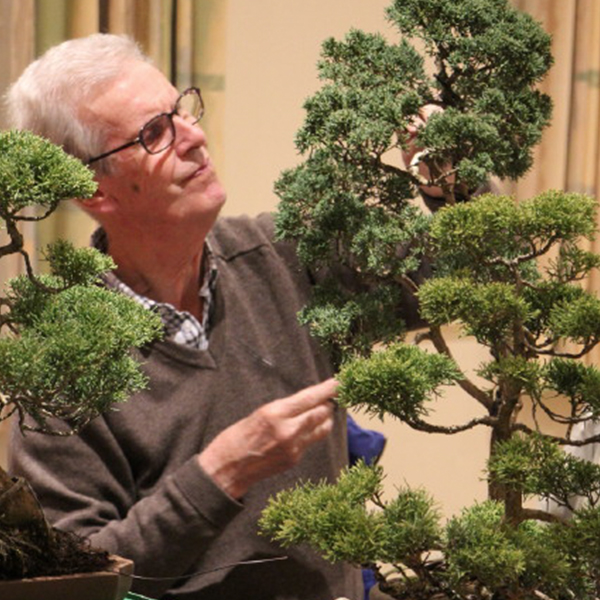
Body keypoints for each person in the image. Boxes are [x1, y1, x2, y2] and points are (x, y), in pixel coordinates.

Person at [6, 34, 425, 600]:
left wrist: (449, 178)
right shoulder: (66, 362)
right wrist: (220, 475)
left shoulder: (283, 256)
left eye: (181, 110)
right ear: (93, 189)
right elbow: (74, 585)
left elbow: (455, 276)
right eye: (155, 133)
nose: (196, 137)